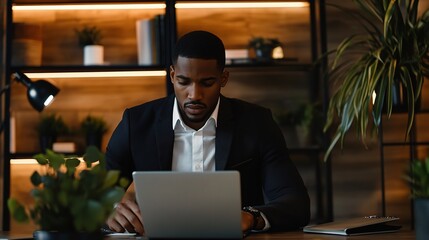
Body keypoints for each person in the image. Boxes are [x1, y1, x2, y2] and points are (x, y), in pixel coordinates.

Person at [105, 30, 310, 235]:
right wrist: (109, 211)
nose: (194, 95)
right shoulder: (137, 123)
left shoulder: (256, 123)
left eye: (206, 83)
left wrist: (251, 217)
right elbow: (92, 197)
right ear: (172, 76)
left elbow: (296, 204)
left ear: (223, 78)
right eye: (184, 82)